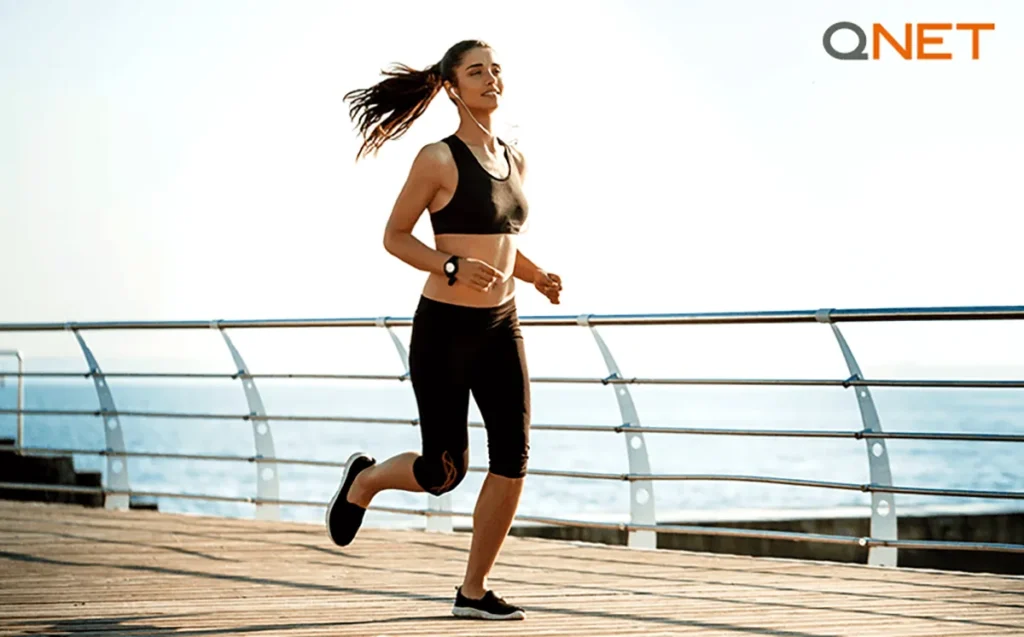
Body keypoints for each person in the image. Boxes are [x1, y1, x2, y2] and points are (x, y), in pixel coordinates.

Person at [325, 40, 562, 621]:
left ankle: (473, 591)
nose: (491, 79)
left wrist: (535, 276)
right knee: (443, 472)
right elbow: (396, 237)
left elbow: (503, 247)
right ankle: (366, 482)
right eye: (476, 72)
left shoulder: (516, 159)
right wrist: (449, 265)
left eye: (496, 70)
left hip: (503, 324)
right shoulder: (438, 158)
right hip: (446, 329)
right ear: (453, 87)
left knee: (514, 456)